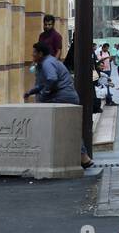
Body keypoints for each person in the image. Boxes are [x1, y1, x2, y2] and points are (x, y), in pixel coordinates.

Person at [24, 40, 92, 168]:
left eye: (34, 52)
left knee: (68, 128)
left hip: (62, 98)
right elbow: (42, 83)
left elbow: (52, 79)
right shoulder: (44, 63)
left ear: (40, 53)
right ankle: (83, 157)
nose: (32, 55)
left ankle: (83, 157)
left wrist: (44, 93)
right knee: (69, 129)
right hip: (63, 97)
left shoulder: (47, 63)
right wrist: (31, 92)